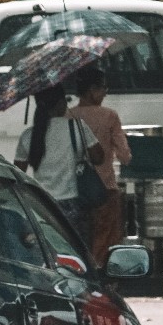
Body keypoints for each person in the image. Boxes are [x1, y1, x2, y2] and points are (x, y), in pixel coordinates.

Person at [14, 85, 104, 229]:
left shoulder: (28, 136)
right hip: (74, 205)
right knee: (78, 249)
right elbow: (99, 158)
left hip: (43, 206)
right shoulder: (76, 127)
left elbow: (17, 173)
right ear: (61, 103)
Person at [66, 66, 128, 267]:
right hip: (105, 189)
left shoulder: (68, 116)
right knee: (105, 241)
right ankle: (103, 280)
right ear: (92, 90)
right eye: (103, 89)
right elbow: (125, 156)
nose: (104, 94)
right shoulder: (109, 116)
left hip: (75, 189)